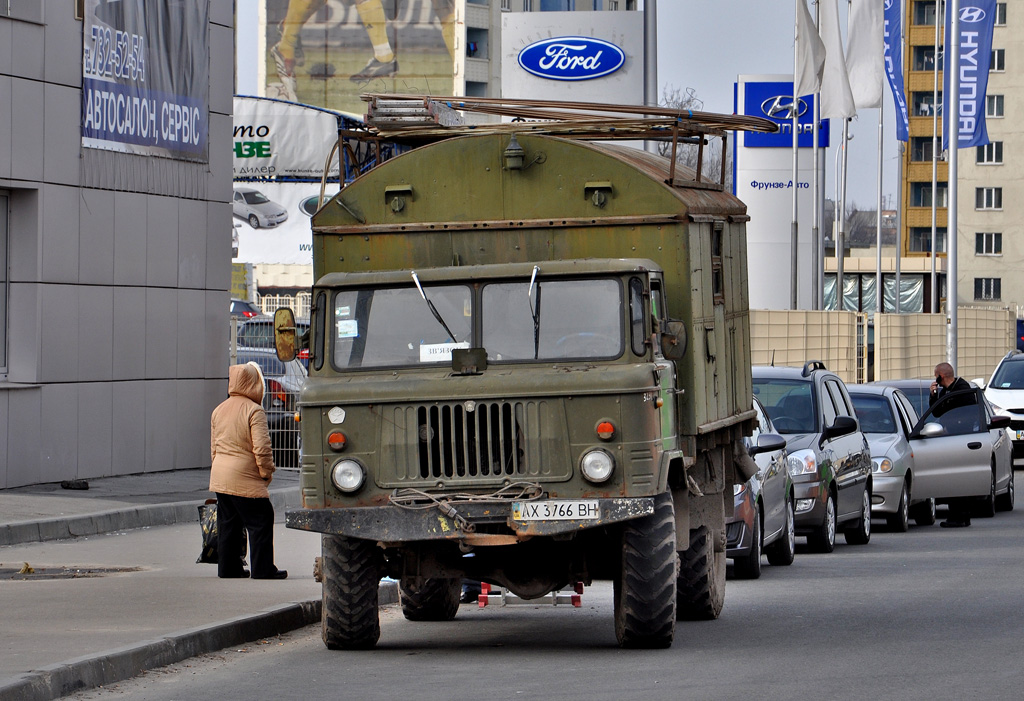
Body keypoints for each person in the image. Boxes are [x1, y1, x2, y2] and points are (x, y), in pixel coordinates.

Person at [209, 362, 288, 579]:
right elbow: (262, 448)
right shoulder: (254, 410)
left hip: (220, 475)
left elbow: (214, 447)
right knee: (261, 519)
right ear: (254, 384)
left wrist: (218, 471)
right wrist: (266, 472)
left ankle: (228, 568)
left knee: (229, 523)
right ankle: (263, 569)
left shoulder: (219, 409)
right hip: (244, 476)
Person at [930, 362, 974, 528]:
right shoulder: (946, 391)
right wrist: (933, 395)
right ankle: (960, 515)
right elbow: (937, 411)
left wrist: (952, 427)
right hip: (952, 439)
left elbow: (967, 414)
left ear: (941, 375)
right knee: (954, 479)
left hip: (960, 440)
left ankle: (959, 516)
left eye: (936, 375)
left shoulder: (962, 389)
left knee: (958, 479)